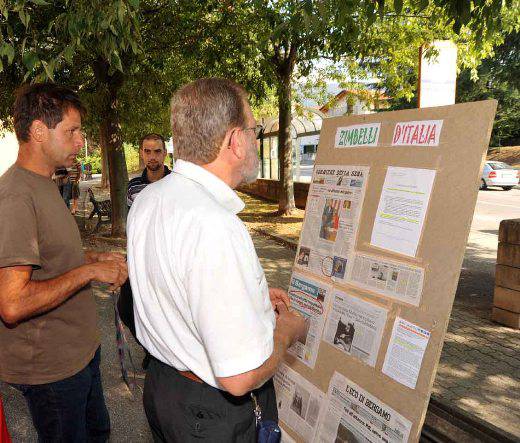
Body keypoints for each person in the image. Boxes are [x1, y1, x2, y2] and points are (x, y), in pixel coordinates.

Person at [127, 78, 307, 442]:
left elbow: (176, 286)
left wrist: (251, 298)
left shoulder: (150, 199)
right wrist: (286, 334)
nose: (255, 140)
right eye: (254, 130)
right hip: (210, 416)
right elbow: (238, 378)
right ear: (235, 141)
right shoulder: (214, 225)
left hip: (165, 390)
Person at [0, 83, 128, 442]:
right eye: (71, 131)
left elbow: (47, 260)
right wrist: (88, 270)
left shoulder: (45, 183)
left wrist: (93, 258)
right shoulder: (14, 198)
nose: (79, 141)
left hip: (79, 354)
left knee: (98, 433)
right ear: (39, 131)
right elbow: (12, 303)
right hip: (51, 371)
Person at [126, 133, 171, 208]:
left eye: (157, 151)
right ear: (141, 153)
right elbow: (133, 218)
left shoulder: (177, 182)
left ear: (165, 153)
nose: (152, 157)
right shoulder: (133, 187)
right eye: (147, 151)